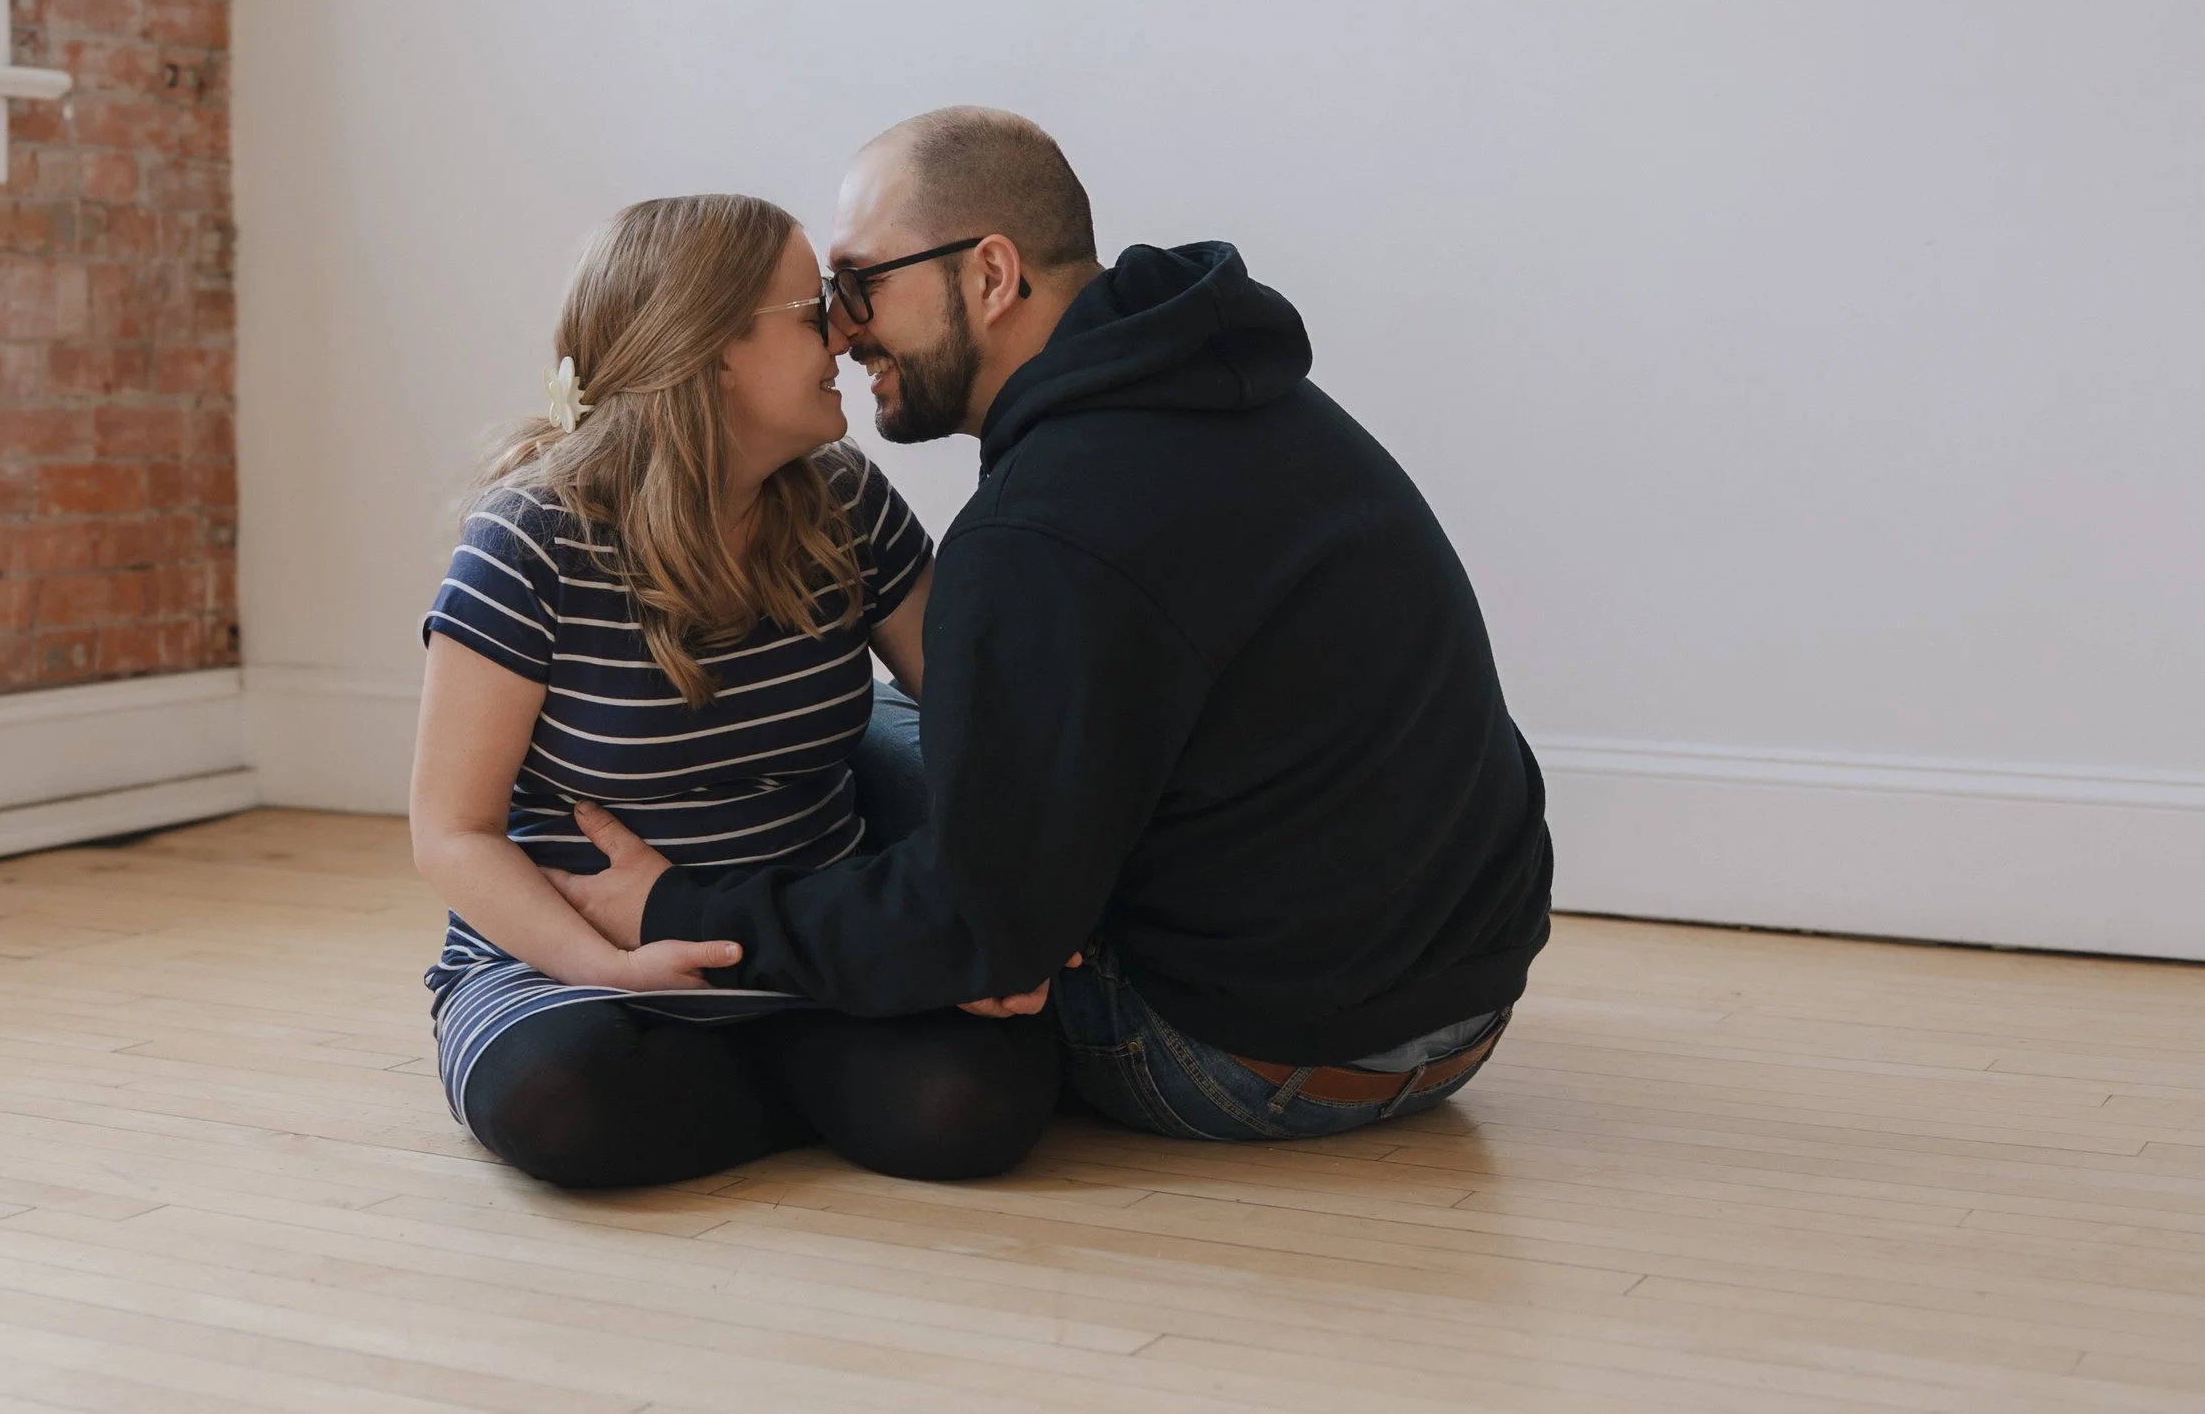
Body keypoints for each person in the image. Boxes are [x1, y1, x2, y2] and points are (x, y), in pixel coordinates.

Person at [556, 109, 1554, 1143]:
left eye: (861, 284)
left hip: (1247, 1055)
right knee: (912, 737)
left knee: (872, 761)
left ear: (989, 275)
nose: (842, 329)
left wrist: (685, 914)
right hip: (1464, 1006)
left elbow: (975, 919)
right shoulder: (1244, 394)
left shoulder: (1046, 531)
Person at [407, 193, 1060, 1189]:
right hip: (576, 956)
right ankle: (790, 1085)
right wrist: (611, 968)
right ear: (710, 350)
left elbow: (983, 717)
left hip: (799, 945)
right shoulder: (531, 541)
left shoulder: (842, 501)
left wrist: (995, 923)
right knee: (564, 1108)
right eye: (815, 310)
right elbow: (451, 830)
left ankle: (753, 1067)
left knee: (971, 1111)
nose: (848, 332)